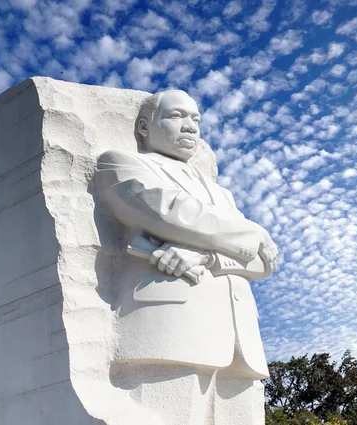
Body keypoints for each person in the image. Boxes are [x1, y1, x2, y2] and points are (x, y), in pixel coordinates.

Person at [95, 90, 279, 424]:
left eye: (196, 120)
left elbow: (263, 262)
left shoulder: (222, 195)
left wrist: (206, 256)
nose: (191, 127)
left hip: (240, 341)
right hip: (171, 329)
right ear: (143, 127)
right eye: (177, 116)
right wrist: (254, 233)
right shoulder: (122, 163)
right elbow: (169, 213)